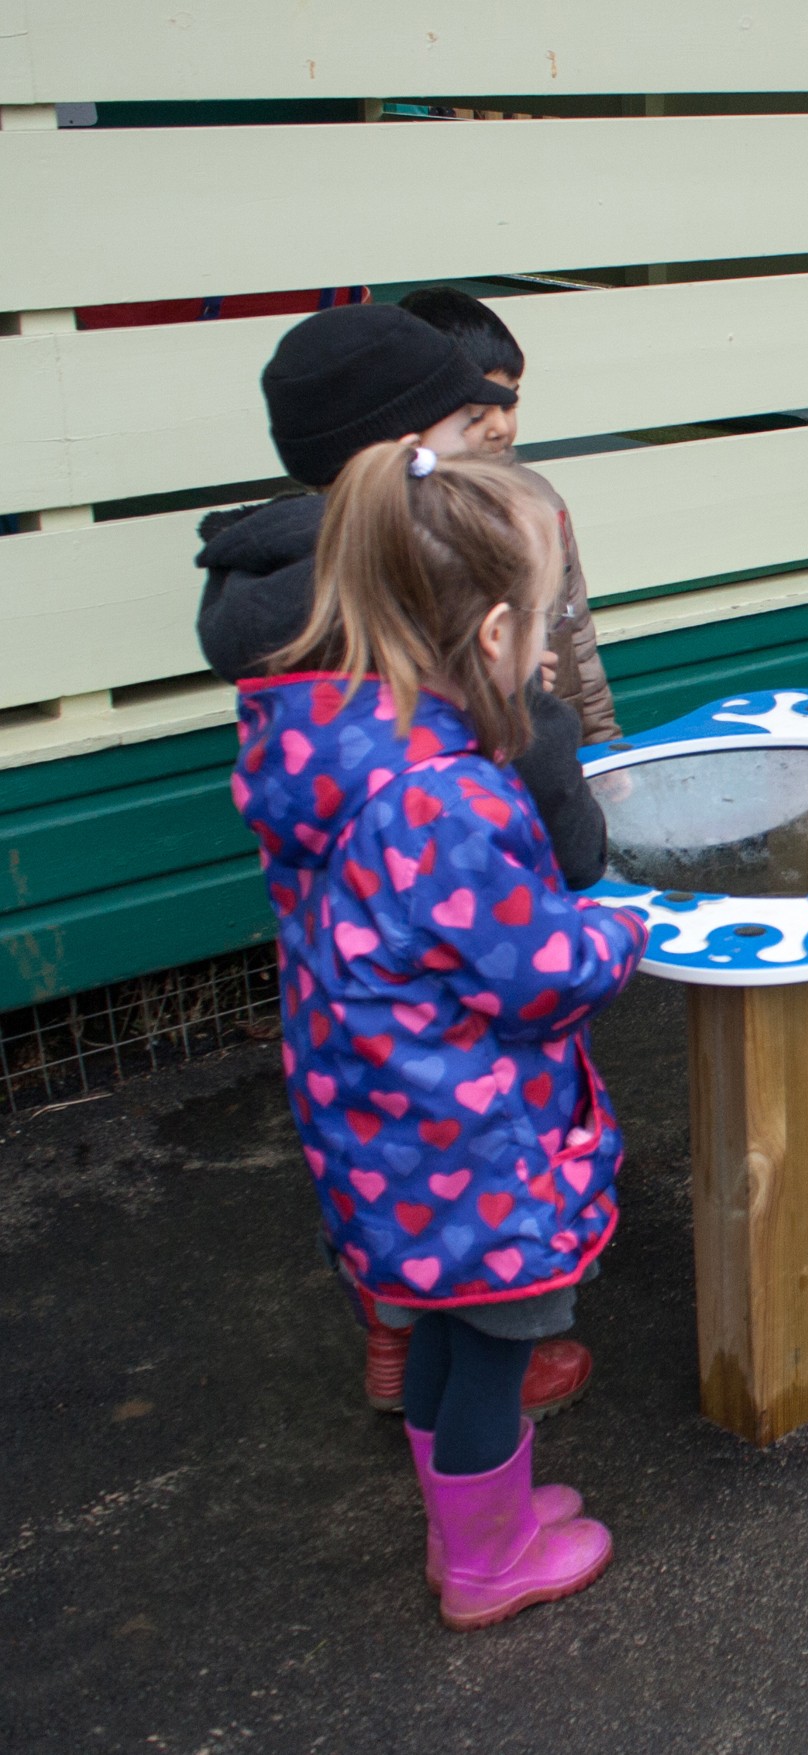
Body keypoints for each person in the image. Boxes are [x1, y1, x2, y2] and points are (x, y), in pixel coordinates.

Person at [233, 439, 649, 1628]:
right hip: (465, 1135)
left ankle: (488, 1519)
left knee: (434, 1328)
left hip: (375, 1119)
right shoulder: (449, 797)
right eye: (546, 623)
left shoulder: (334, 746)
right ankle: (480, 1563)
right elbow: (535, 976)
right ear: (493, 638)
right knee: (494, 1347)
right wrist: (612, 932)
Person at [196, 303, 608, 1421]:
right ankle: (500, 1401)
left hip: (340, 981)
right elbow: (548, 880)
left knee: (388, 1158)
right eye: (470, 414)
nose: (493, 429)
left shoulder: (273, 595)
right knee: (474, 1174)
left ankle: (392, 1338)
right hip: (469, 988)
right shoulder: (447, 588)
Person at [399, 286, 623, 745]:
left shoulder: (540, 502)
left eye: (510, 402)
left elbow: (574, 628)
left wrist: (603, 737)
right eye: (477, 411)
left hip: (554, 744)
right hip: (462, 762)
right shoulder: (393, 520)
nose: (500, 425)